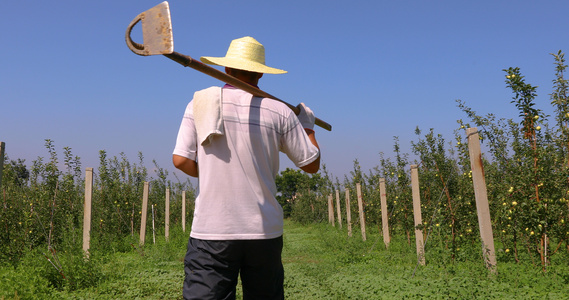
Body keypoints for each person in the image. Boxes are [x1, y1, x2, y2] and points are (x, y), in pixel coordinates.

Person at [172, 36, 321, 299]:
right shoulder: (279, 111)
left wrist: (211, 172)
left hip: (212, 230)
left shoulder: (198, 103)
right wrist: (306, 126)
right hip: (263, 232)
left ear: (226, 69)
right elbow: (311, 164)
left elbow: (181, 160)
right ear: (261, 72)